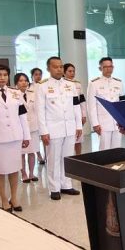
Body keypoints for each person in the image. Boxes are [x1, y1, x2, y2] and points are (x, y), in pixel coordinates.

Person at [0, 64, 30, 212]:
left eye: (5, 75)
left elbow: (22, 116)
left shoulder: (16, 93)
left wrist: (26, 136)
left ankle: (14, 197)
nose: (2, 78)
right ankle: (3, 199)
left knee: (15, 169)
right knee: (0, 170)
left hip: (15, 137)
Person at [37, 56, 82, 200]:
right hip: (53, 129)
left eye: (61, 66)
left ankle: (66, 185)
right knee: (54, 159)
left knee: (67, 157)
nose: (59, 69)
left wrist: (78, 125)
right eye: (55, 67)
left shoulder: (70, 85)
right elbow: (40, 111)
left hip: (70, 127)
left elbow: (76, 106)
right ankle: (54, 188)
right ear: (48, 68)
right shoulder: (42, 86)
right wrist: (43, 131)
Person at [87, 56, 125, 150]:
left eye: (110, 66)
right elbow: (91, 106)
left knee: (117, 149)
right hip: (103, 123)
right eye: (105, 67)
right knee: (104, 149)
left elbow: (123, 103)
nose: (109, 69)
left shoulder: (119, 83)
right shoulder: (94, 83)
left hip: (117, 122)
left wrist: (124, 121)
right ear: (100, 68)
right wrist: (95, 124)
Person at [14, 72, 40, 182]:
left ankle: (31, 173)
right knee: (21, 154)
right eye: (21, 81)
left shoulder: (33, 93)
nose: (24, 83)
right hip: (20, 128)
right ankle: (23, 174)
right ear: (16, 83)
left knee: (32, 152)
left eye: (25, 80)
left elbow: (38, 110)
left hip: (33, 127)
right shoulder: (13, 95)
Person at [64, 62, 86, 158]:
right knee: (68, 140)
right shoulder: (62, 84)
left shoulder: (78, 84)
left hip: (77, 115)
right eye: (69, 71)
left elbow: (82, 101)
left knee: (78, 139)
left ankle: (78, 158)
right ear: (64, 72)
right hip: (67, 116)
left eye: (73, 71)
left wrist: (83, 115)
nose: (72, 73)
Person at [29, 67, 46, 166]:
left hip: (44, 115)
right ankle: (39, 156)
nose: (38, 76)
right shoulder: (29, 87)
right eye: (36, 74)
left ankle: (46, 155)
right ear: (32, 76)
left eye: (40, 74)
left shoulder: (45, 85)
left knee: (45, 136)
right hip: (33, 116)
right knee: (35, 139)